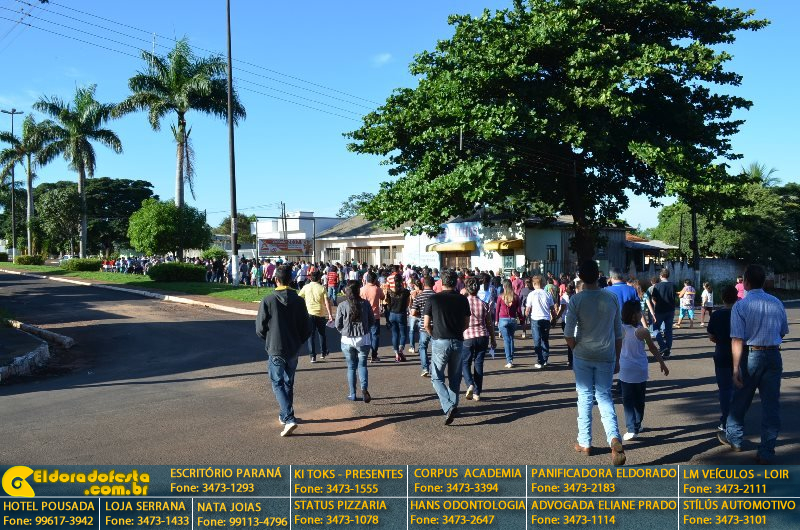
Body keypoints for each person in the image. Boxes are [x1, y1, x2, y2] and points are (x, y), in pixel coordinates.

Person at [718, 264, 789, 464]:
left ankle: (735, 438)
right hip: (773, 355)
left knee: (741, 398)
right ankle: (766, 450)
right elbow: (782, 331)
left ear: (746, 283)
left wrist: (735, 368)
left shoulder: (741, 306)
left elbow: (737, 339)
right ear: (763, 282)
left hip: (751, 355)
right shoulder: (776, 302)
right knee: (771, 405)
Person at [564, 259, 626, 466]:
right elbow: (618, 333)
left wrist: (575, 348)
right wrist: (617, 358)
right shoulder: (611, 298)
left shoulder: (576, 300)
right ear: (598, 275)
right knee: (604, 396)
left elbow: (568, 333)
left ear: (580, 277)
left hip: (583, 353)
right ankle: (614, 437)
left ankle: (585, 442)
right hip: (606, 353)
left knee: (584, 396)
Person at [255, 265, 312, 437]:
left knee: (277, 382)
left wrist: (270, 340)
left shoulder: (268, 300)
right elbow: (306, 328)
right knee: (288, 382)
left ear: (275, 280)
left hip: (276, 347)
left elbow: (260, 328)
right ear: (291, 280)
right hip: (293, 348)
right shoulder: (299, 300)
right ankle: (285, 414)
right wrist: (298, 341)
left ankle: (288, 417)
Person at [423, 270, 471, 425]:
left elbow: (426, 324)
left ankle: (448, 405)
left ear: (441, 282)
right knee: (455, 377)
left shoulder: (433, 299)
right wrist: (457, 331)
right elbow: (466, 323)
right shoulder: (463, 299)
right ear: (456, 282)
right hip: (458, 340)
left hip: (439, 340)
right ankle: (453, 405)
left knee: (436, 377)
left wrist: (433, 335)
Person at [618, 300, 669, 441]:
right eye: (640, 311)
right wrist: (662, 363)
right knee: (639, 399)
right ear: (635, 314)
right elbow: (653, 348)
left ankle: (631, 428)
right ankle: (637, 424)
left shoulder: (620, 328)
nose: (642, 314)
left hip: (625, 369)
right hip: (640, 368)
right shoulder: (643, 331)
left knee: (628, 400)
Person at [335, 281, 375, 402]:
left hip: (347, 339)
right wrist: (365, 329)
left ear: (346, 292)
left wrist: (344, 331)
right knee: (362, 365)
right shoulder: (365, 304)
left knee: (351, 367)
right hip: (363, 339)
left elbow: (338, 324)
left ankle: (352, 394)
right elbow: (372, 320)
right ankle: (364, 389)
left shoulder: (342, 305)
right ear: (358, 291)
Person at [706, 285, 739, 433]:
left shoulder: (717, 315)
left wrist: (719, 340)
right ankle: (737, 419)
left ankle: (726, 420)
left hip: (722, 352)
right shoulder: (740, 314)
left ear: (722, 298)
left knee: (725, 389)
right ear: (737, 297)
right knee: (739, 388)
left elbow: (711, 335)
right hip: (740, 354)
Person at [462, 276, 496, 402]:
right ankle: (477, 392)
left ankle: (470, 383)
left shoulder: (463, 303)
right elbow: (489, 323)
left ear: (467, 288)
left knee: (465, 362)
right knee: (479, 363)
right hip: (482, 336)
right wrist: (493, 339)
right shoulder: (483, 304)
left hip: (468, 336)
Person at [298, 270, 333, 363]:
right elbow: (327, 302)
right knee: (322, 334)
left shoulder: (306, 287)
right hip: (321, 313)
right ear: (319, 279)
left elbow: (299, 298)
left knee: (311, 335)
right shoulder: (322, 288)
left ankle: (312, 356)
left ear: (310, 278)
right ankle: (323, 352)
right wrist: (330, 314)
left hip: (309, 313)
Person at [525, 275, 555, 369]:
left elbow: (527, 309)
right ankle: (545, 359)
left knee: (537, 340)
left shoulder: (531, 294)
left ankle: (540, 359)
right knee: (545, 340)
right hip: (546, 319)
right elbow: (552, 308)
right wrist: (554, 318)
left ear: (534, 284)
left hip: (535, 319)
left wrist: (525, 317)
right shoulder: (547, 294)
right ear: (543, 284)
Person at [412, 275, 436, 377]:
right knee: (435, 349)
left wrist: (422, 315)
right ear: (433, 284)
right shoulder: (436, 296)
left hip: (423, 326)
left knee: (423, 347)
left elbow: (413, 312)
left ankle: (425, 368)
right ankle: (434, 369)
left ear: (423, 284)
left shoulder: (419, 297)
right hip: (435, 326)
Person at [496, 279, 522, 368]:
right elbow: (519, 310)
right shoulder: (516, 297)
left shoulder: (501, 297)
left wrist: (496, 320)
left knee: (506, 340)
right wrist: (521, 319)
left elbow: (497, 310)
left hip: (503, 320)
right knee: (511, 339)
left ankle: (509, 360)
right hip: (513, 320)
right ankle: (511, 359)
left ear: (504, 286)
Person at [650, 268, 676, 358]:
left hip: (659, 310)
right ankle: (667, 351)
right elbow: (674, 297)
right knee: (668, 331)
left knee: (655, 328)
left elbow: (654, 298)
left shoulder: (657, 286)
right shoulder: (673, 285)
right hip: (670, 310)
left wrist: (655, 305)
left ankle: (662, 345)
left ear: (661, 276)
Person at [360, 272, 385, 362]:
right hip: (375, 315)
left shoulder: (362, 289)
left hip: (364, 315)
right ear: (375, 280)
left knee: (364, 335)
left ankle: (363, 354)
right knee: (375, 336)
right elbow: (383, 297)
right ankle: (374, 355)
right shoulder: (377, 289)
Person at [386, 279, 411, 362]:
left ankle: (396, 354)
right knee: (403, 334)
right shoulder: (406, 292)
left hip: (392, 314)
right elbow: (408, 303)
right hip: (401, 314)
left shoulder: (390, 292)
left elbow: (387, 302)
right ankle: (401, 350)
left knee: (394, 334)